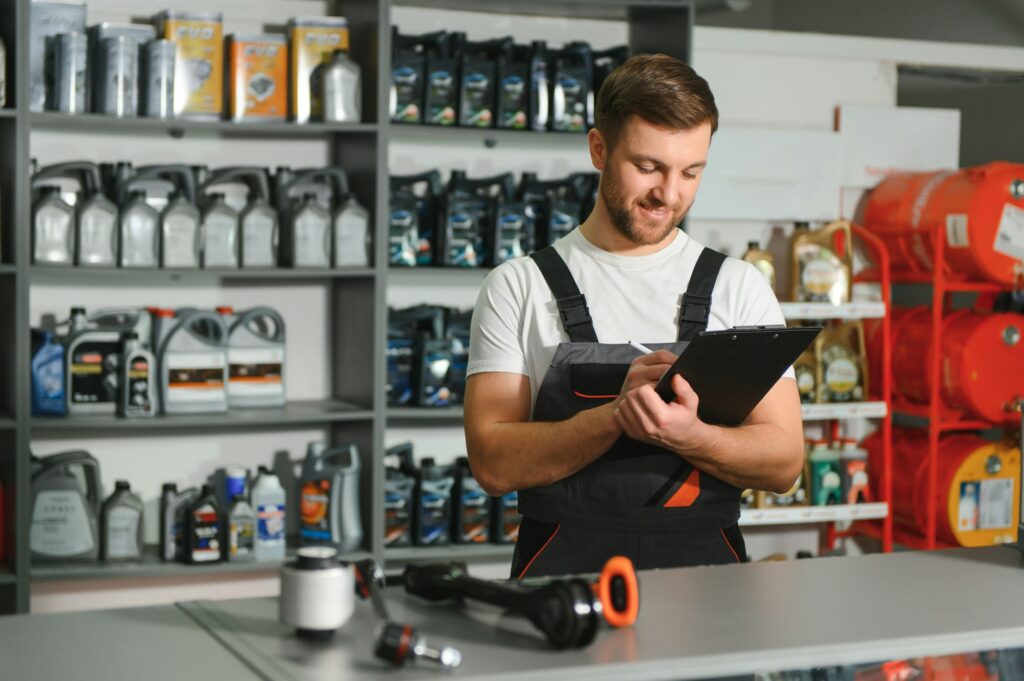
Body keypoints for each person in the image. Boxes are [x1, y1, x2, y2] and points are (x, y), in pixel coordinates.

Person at [464, 54, 804, 579]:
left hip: (707, 588)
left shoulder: (738, 288)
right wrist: (613, 416)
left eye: (691, 172)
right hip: (566, 584)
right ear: (599, 148)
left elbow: (784, 463)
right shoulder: (519, 286)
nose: (669, 194)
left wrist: (692, 435)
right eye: (648, 167)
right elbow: (492, 463)